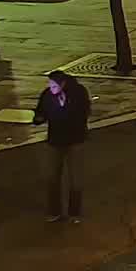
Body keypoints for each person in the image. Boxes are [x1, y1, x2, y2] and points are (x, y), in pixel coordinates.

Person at [32, 70, 90, 222]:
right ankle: (54, 211)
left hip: (75, 140)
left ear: (63, 84)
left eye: (54, 85)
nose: (51, 88)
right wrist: (39, 118)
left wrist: (64, 115)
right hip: (55, 141)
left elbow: (83, 113)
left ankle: (74, 213)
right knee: (52, 177)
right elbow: (40, 112)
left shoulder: (78, 93)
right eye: (50, 84)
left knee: (76, 180)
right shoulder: (47, 95)